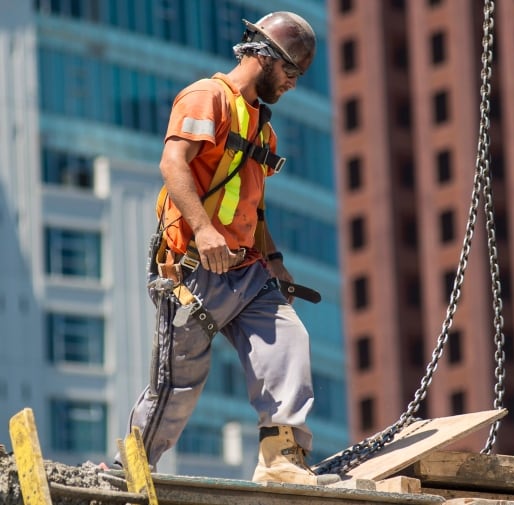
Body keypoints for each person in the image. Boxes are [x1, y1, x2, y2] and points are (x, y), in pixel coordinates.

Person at [120, 11, 337, 486]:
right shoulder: (208, 97)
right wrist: (203, 229)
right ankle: (132, 469)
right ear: (265, 57)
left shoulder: (262, 126)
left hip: (247, 269)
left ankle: (280, 458)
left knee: (289, 342)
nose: (295, 84)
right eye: (292, 72)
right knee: (178, 383)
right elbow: (173, 163)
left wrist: (275, 262)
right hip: (195, 271)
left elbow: (252, 208)